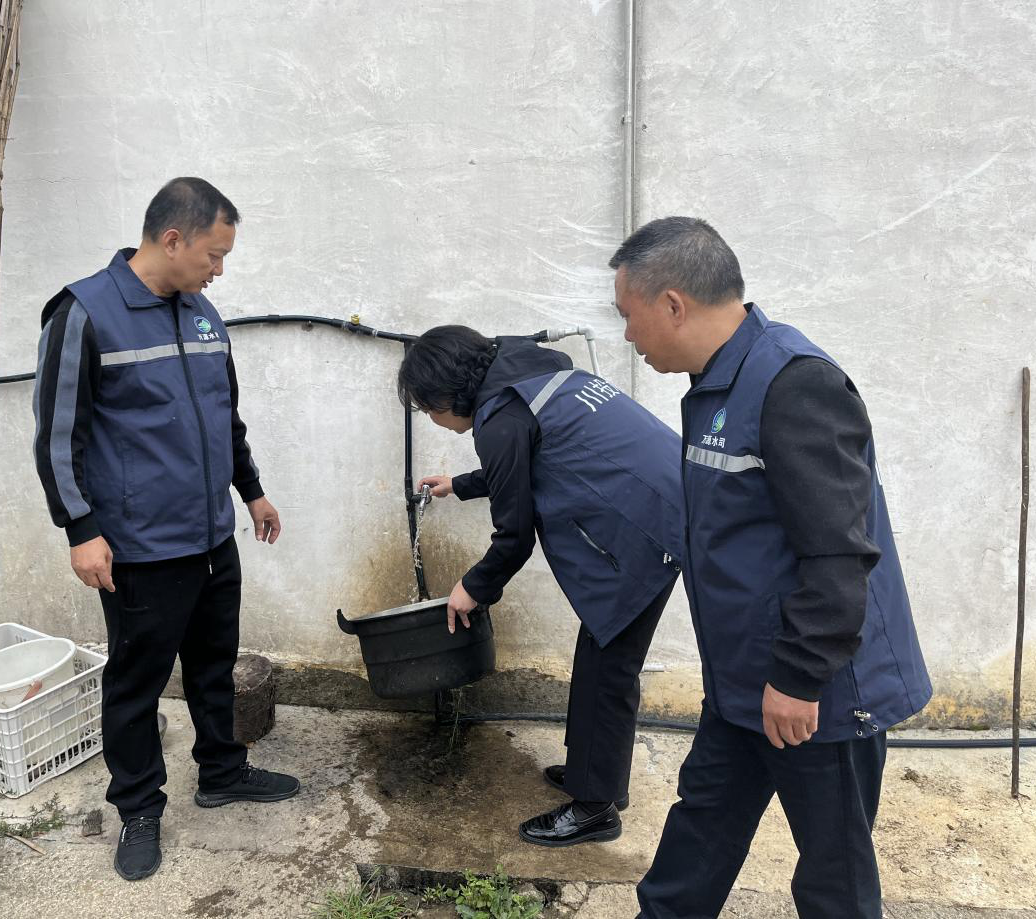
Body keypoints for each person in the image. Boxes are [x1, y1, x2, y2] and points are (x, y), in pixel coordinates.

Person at [610, 217, 931, 918]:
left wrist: (796, 676)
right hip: (744, 679)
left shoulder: (794, 384)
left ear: (672, 304)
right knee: (697, 836)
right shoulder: (716, 382)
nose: (627, 334)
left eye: (628, 315)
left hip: (815, 694)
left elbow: (839, 550)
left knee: (833, 876)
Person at [32, 177, 300, 882]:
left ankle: (222, 771)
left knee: (214, 663)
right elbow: (57, 437)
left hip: (211, 536)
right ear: (173, 239)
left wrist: (252, 491)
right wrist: (80, 528)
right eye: (215, 254)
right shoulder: (84, 312)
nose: (220, 270)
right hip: (141, 547)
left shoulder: (202, 313)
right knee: (136, 683)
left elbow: (224, 417)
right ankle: (139, 808)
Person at [398, 325, 685, 847]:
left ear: (443, 397)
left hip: (646, 525)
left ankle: (596, 808)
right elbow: (524, 454)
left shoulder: (500, 418)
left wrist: (472, 587)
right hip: (660, 502)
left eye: (426, 409)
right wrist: (460, 485)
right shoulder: (528, 371)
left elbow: (514, 538)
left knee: (609, 668)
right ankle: (594, 776)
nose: (433, 420)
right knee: (601, 655)